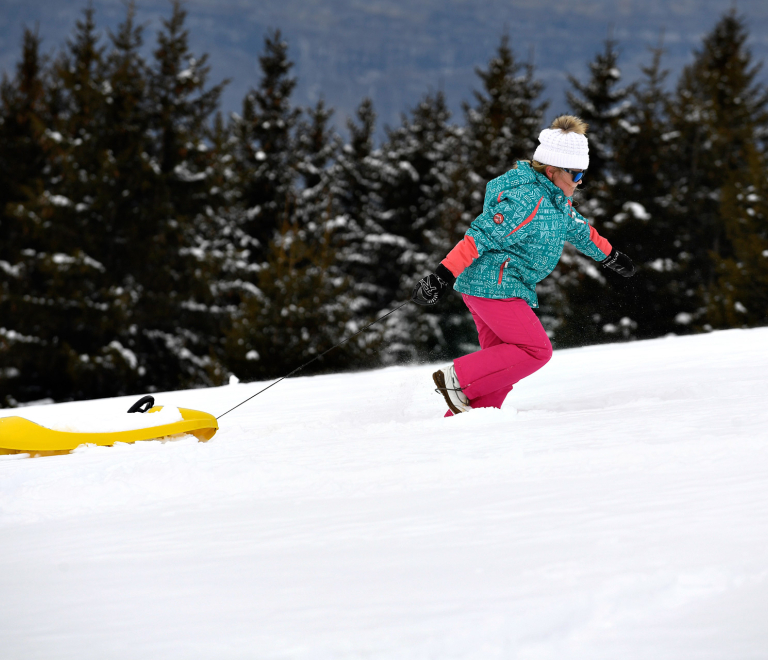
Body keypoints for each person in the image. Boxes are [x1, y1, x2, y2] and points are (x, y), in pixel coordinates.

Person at [411, 115, 635, 416]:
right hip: (494, 286)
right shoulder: (527, 200)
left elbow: (579, 229)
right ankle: (457, 378)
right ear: (553, 171)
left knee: (501, 369)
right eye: (577, 174)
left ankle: (462, 425)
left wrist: (610, 256)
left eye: (583, 174)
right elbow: (478, 237)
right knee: (536, 350)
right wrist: (441, 276)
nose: (581, 181)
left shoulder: (555, 200)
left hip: (495, 288)